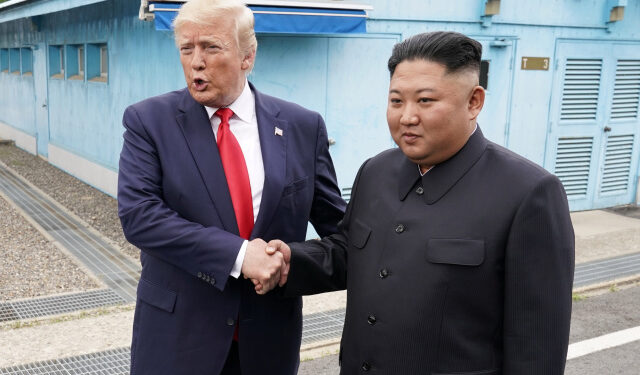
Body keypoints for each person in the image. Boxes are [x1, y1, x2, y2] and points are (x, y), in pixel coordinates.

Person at [261, 31, 575, 374]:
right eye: (396, 101)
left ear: (474, 102)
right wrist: (291, 261)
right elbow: (351, 254)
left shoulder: (529, 194)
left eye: (425, 101)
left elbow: (536, 350)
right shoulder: (375, 171)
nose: (407, 116)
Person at [117, 0, 346, 373]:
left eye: (210, 47)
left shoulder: (303, 126)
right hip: (178, 341)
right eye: (186, 49)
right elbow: (140, 217)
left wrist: (290, 262)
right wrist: (240, 256)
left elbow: (340, 233)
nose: (196, 62)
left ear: (247, 56)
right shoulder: (148, 121)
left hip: (268, 344)